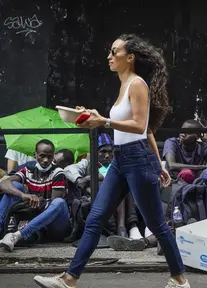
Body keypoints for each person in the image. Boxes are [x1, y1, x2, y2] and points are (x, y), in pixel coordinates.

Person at [33, 34, 189, 288]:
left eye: (114, 52)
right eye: (110, 51)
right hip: (121, 160)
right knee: (95, 219)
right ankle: (69, 279)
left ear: (130, 58)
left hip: (137, 159)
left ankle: (180, 280)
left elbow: (139, 126)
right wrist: (95, 116)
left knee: (157, 225)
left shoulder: (138, 84)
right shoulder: (124, 85)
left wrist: (104, 122)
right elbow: (145, 128)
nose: (109, 56)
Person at [0, 139, 70, 250]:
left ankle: (17, 236)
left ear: (53, 157)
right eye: (42, 156)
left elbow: (52, 208)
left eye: (49, 156)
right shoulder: (28, 170)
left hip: (55, 225)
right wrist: (23, 195)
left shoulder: (58, 173)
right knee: (15, 186)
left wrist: (34, 202)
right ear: (35, 155)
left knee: (59, 202)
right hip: (36, 223)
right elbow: (3, 183)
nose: (46, 160)